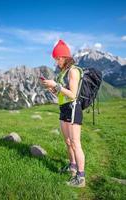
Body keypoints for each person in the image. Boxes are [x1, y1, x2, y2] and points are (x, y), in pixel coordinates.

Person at [42, 39, 85, 187]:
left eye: (57, 59)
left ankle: (81, 177)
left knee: (75, 143)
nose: (56, 62)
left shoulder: (73, 71)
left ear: (64, 57)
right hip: (64, 108)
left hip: (73, 108)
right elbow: (61, 94)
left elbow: (73, 94)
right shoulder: (63, 72)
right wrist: (53, 89)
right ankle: (72, 167)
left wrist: (56, 85)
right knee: (68, 142)